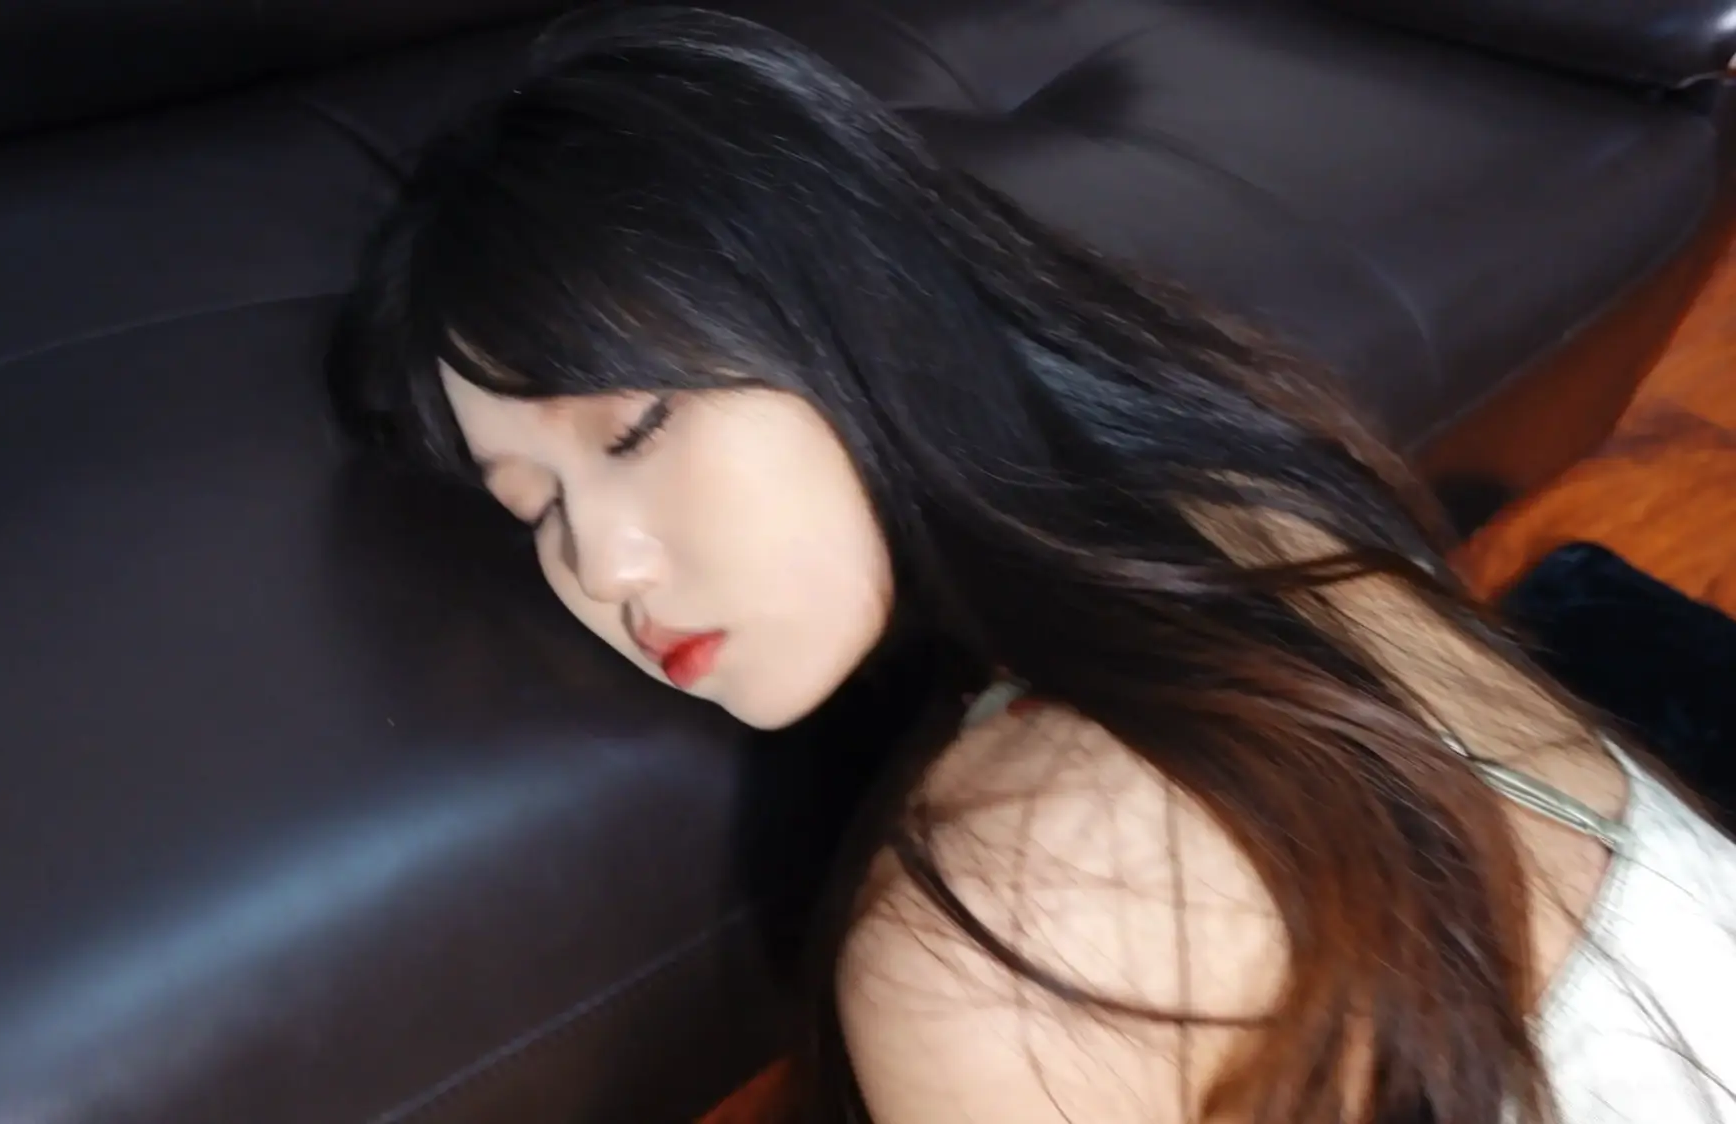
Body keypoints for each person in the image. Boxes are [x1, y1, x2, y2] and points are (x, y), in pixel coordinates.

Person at [328, 7, 1736, 1123]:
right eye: (533, 510)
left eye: (633, 430)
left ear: (855, 308)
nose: (601, 565)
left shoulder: (997, 931)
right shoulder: (1261, 524)